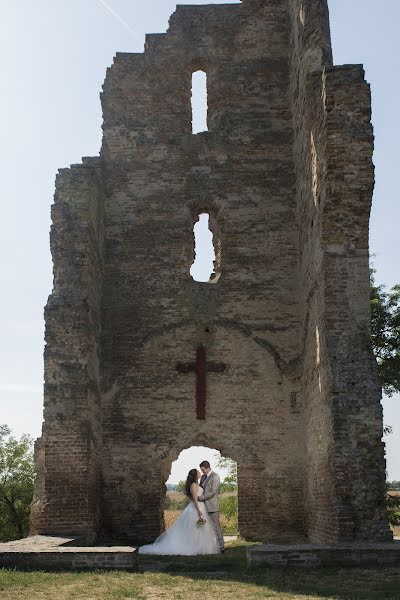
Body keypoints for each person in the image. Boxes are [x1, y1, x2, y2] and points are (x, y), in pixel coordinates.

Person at [138, 468, 220, 555]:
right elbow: (195, 499)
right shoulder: (193, 485)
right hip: (196, 508)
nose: (200, 473)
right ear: (195, 475)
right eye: (198, 472)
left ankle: (200, 546)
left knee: (201, 528)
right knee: (194, 528)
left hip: (200, 506)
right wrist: (198, 510)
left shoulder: (196, 484)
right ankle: (193, 546)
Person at [198, 460, 224, 553]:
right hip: (202, 506)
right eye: (201, 470)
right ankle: (209, 547)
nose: (202, 472)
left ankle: (221, 547)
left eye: (203, 470)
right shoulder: (202, 477)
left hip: (212, 505)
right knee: (205, 528)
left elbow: (213, 492)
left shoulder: (215, 476)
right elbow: (200, 487)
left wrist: (200, 498)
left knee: (216, 527)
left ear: (208, 467)